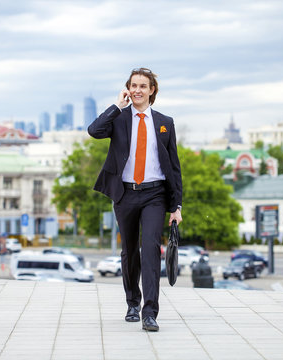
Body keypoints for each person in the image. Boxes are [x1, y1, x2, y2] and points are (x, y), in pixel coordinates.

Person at [88, 68, 182, 332]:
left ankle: (149, 312)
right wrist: (117, 106)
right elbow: (94, 131)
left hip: (155, 194)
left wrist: (176, 206)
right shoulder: (119, 118)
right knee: (130, 250)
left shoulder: (165, 123)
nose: (138, 90)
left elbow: (174, 167)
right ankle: (132, 301)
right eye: (133, 86)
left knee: (151, 249)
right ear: (128, 89)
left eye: (143, 86)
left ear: (152, 90)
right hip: (125, 193)